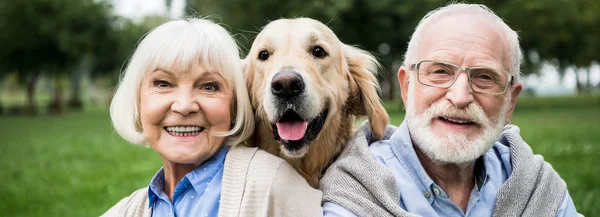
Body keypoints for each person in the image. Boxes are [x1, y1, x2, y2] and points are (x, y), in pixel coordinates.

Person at [320, 3, 581, 217]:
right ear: (407, 85)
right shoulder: (356, 189)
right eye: (440, 72)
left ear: (510, 102)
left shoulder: (537, 187)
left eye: (484, 77)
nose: (460, 97)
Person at [102, 18, 322, 217]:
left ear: (236, 104)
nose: (184, 106)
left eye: (209, 86)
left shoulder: (271, 184)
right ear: (137, 100)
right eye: (163, 84)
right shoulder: (130, 210)